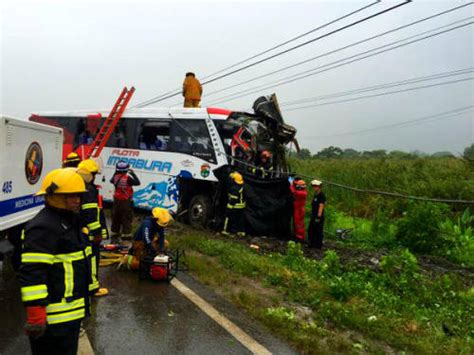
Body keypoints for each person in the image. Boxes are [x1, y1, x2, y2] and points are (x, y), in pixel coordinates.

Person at [19, 168, 92, 355]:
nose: (77, 200)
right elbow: (33, 272)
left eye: (78, 195)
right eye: (70, 196)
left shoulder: (70, 221)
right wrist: (36, 313)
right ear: (53, 197)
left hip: (70, 316)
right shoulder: (44, 227)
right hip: (53, 320)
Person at [76, 159, 109, 297]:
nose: (95, 177)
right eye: (94, 174)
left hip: (83, 232)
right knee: (92, 260)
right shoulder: (89, 190)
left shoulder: (79, 185)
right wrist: (96, 232)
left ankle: (86, 285)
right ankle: (93, 288)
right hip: (90, 234)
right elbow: (91, 213)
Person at [110, 161, 140, 243]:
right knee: (126, 219)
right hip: (125, 202)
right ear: (126, 170)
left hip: (116, 202)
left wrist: (116, 172)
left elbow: (111, 181)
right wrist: (133, 173)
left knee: (116, 218)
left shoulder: (115, 177)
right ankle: (126, 238)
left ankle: (114, 237)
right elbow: (138, 183)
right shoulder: (128, 178)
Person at [222, 172, 246, 237]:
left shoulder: (234, 188)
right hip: (242, 207)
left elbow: (233, 200)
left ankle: (226, 231)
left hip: (235, 206)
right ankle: (241, 232)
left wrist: (229, 208)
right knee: (240, 220)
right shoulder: (242, 186)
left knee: (228, 218)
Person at [308, 180, 326, 249]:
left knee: (318, 230)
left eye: (315, 186)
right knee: (311, 229)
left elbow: (321, 206)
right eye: (313, 186)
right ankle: (312, 243)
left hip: (318, 216)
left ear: (319, 187)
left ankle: (318, 245)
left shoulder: (321, 195)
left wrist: (318, 216)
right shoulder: (316, 194)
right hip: (313, 214)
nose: (314, 187)